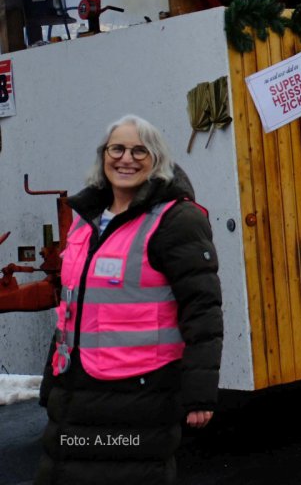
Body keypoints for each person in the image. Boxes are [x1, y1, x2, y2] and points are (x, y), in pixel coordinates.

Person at [37, 116, 222, 484]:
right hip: (76, 387)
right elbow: (74, 309)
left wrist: (200, 394)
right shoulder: (86, 219)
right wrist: (50, 381)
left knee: (127, 473)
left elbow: (202, 309)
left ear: (157, 160)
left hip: (140, 393)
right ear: (103, 156)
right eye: (117, 148)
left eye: (141, 150)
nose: (127, 158)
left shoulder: (176, 221)